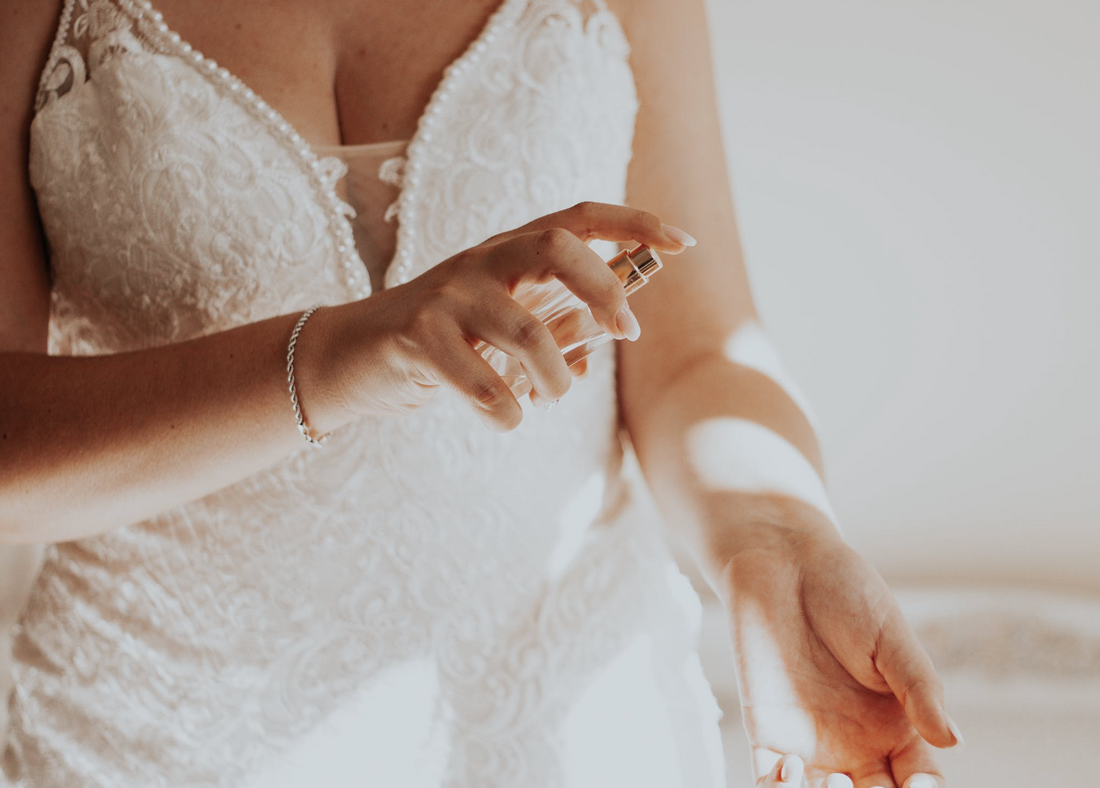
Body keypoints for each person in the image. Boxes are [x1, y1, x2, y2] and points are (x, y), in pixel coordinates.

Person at [0, 0, 960, 785]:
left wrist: (774, 535)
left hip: (573, 735)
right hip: (143, 741)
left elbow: (697, 353)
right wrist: (339, 357)